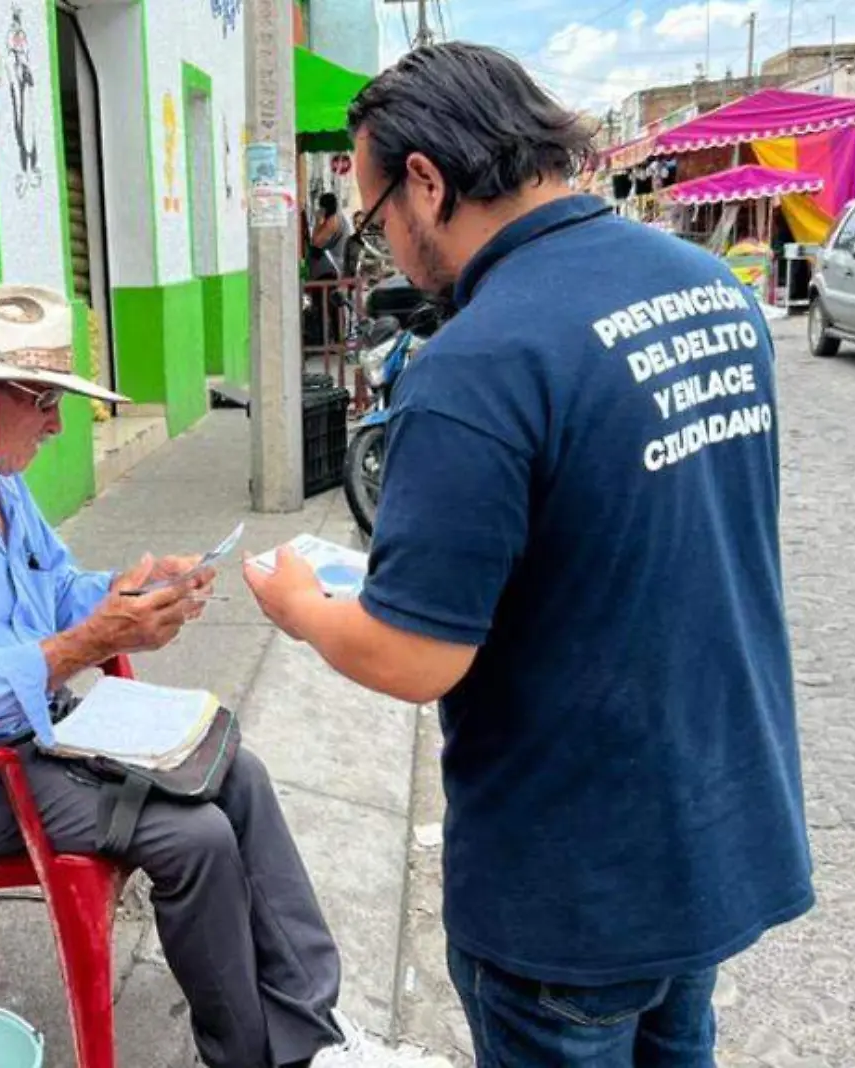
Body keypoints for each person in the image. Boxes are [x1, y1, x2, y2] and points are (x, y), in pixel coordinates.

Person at [245, 44, 813, 1067]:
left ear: (426, 181)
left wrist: (300, 603)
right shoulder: (705, 289)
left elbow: (414, 655)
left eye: (375, 222)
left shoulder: (479, 359)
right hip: (709, 824)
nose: (386, 252)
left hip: (570, 880)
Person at [0, 283, 446, 1068]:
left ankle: (311, 1032)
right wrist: (87, 644)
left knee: (238, 775)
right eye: (42, 399)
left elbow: (56, 589)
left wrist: (133, 590)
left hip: (29, 735)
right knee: (196, 837)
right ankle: (252, 1057)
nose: (56, 422)